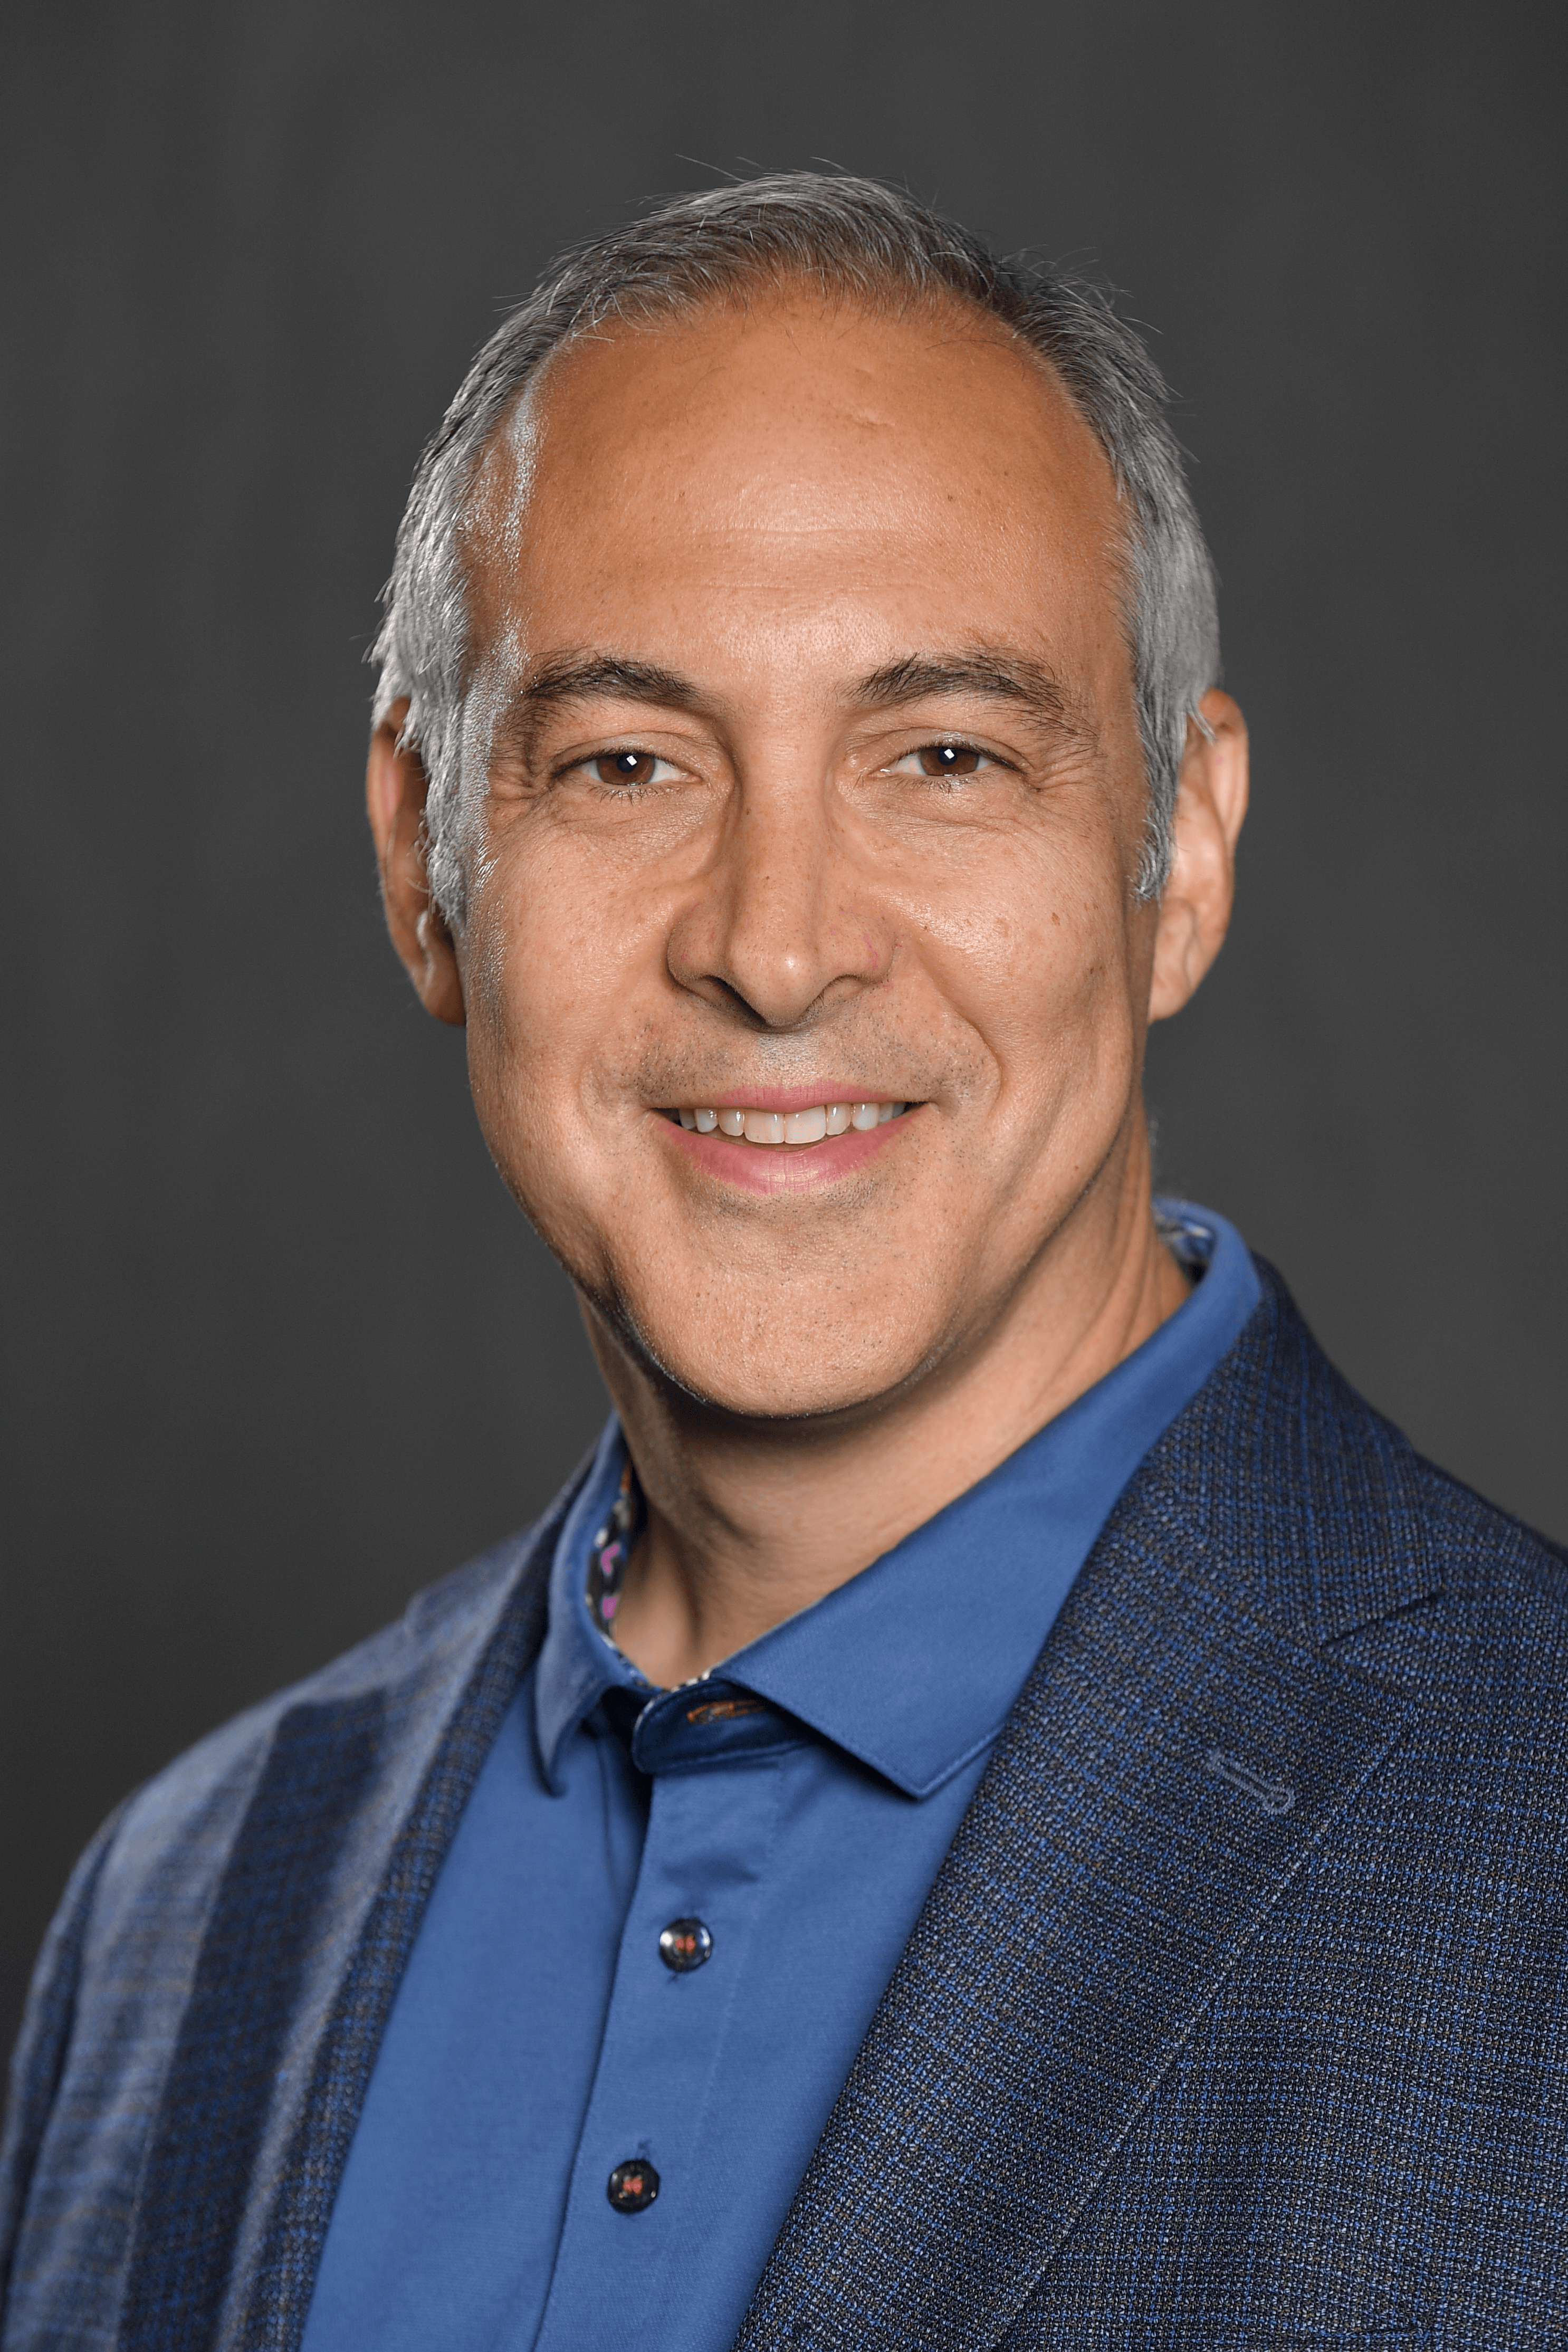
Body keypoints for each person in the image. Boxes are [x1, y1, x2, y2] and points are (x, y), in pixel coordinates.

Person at [2, 174, 1563, 2352]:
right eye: (627, 761)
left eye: (942, 756)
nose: (774, 940)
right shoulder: (179, 1920)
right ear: (425, 867)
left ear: (1177, 855)